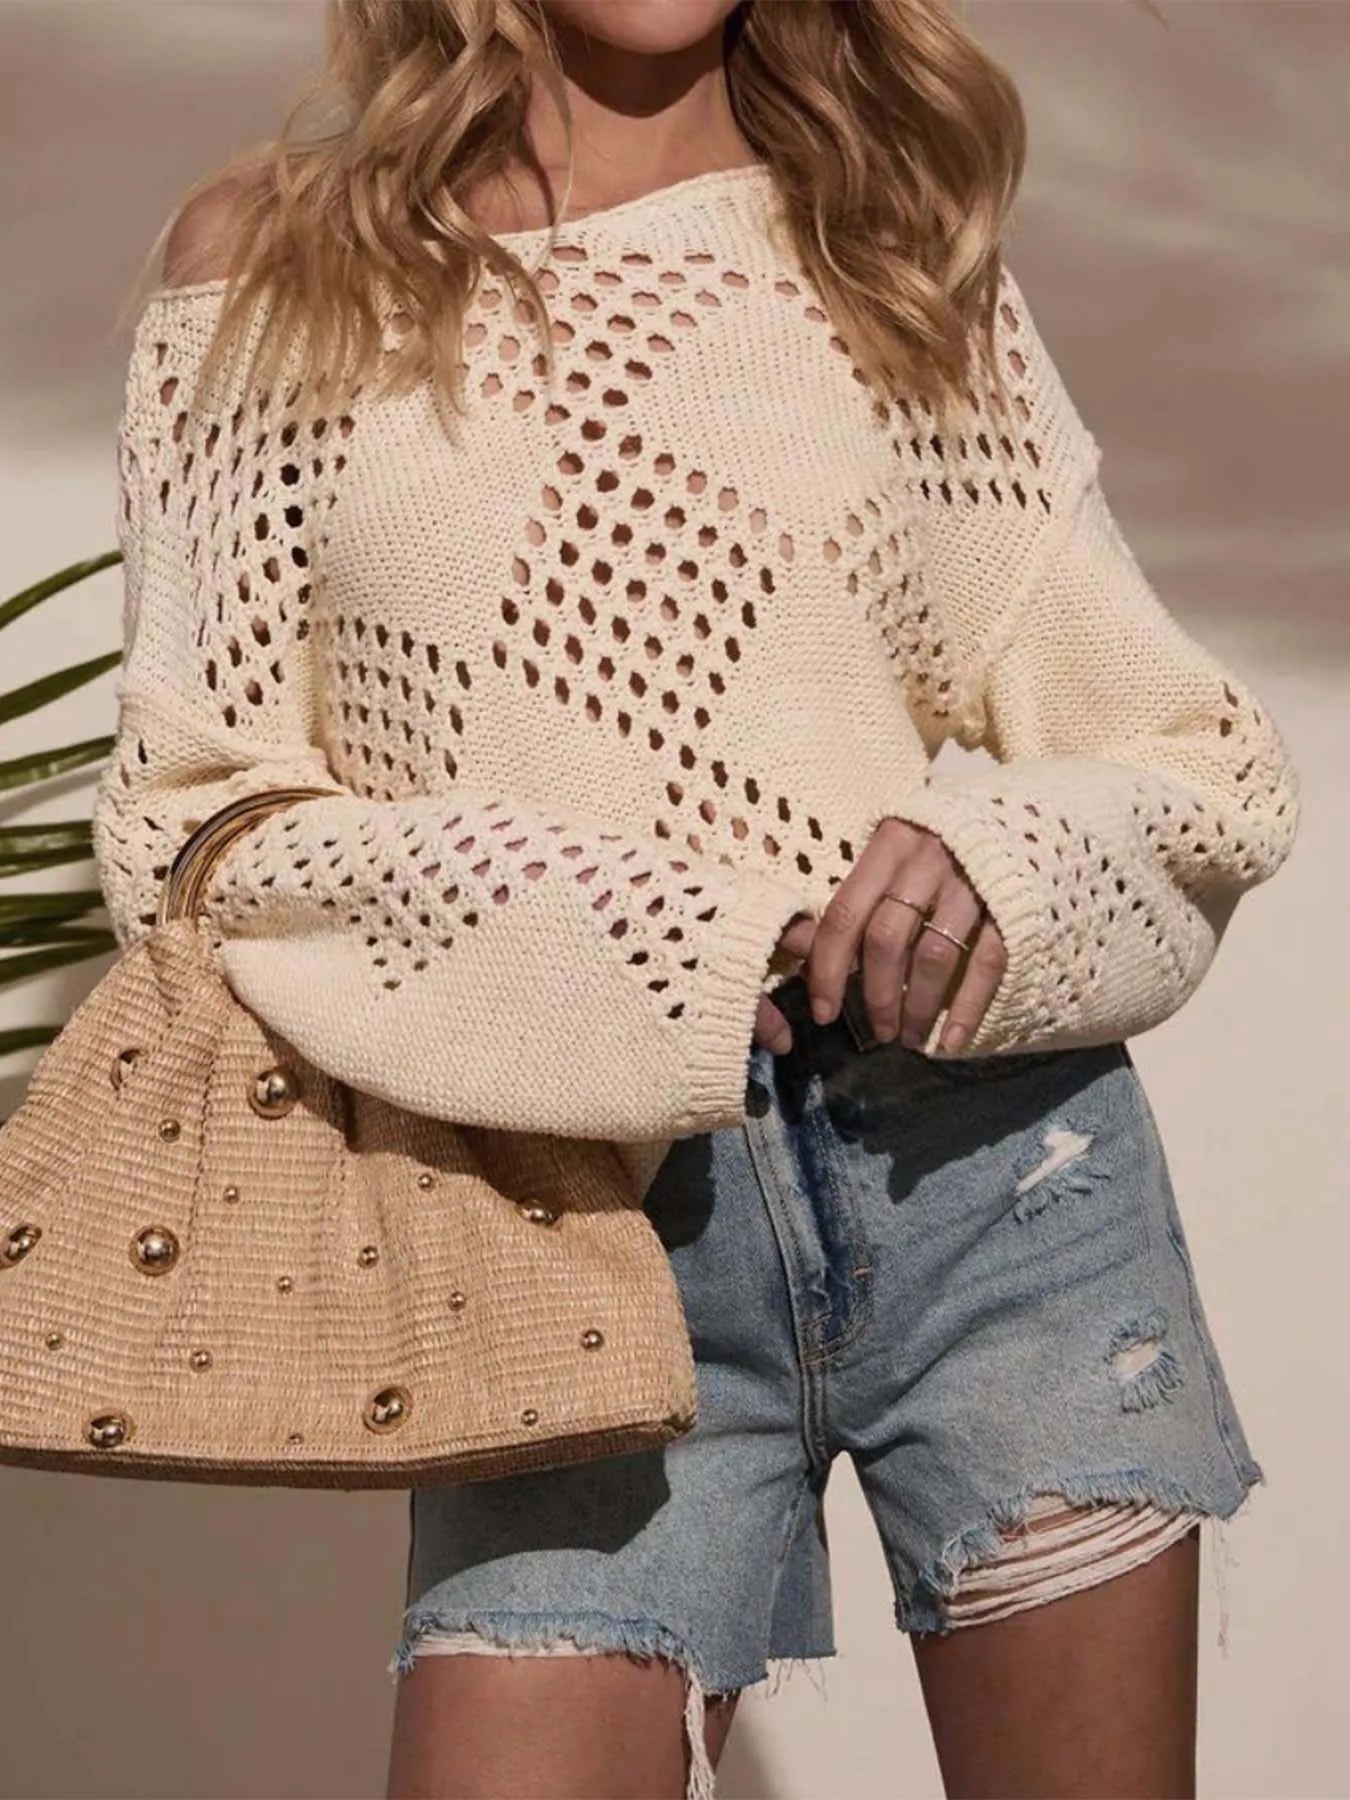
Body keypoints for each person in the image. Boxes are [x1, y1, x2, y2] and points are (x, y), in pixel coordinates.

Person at [95, 2, 1301, 1796]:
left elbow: (1192, 753)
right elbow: (193, 826)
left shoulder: (885, 249)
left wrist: (999, 853)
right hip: (572, 1228)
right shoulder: (274, 267)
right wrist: (622, 942)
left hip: (993, 1188)